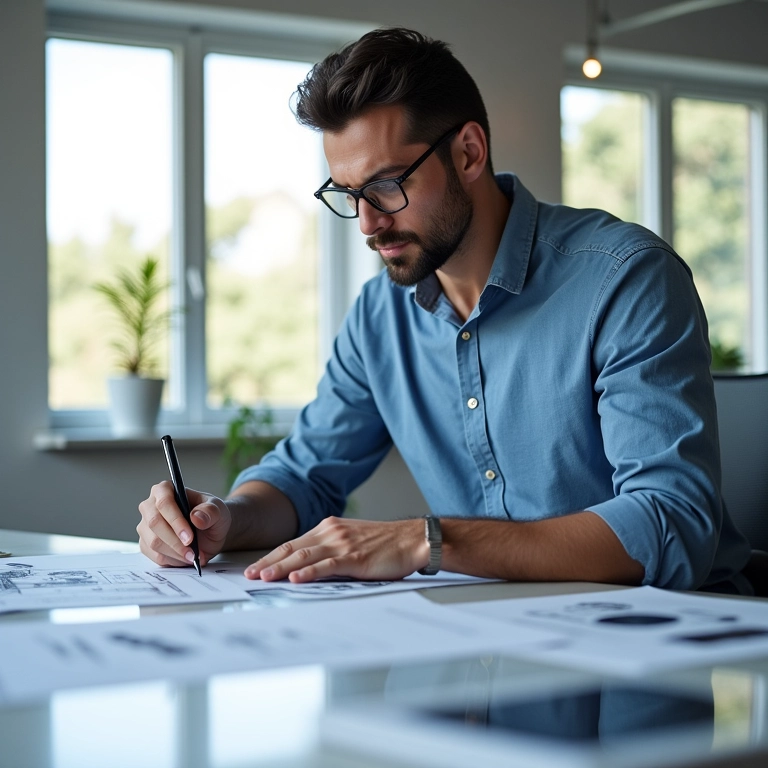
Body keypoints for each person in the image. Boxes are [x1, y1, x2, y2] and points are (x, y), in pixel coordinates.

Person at [138, 27, 751, 593]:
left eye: (385, 186)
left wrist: (425, 541)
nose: (369, 224)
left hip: (672, 645)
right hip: (494, 643)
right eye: (348, 195)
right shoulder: (382, 314)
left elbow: (673, 523)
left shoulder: (625, 279)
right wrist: (224, 519)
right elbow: (305, 476)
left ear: (468, 152)